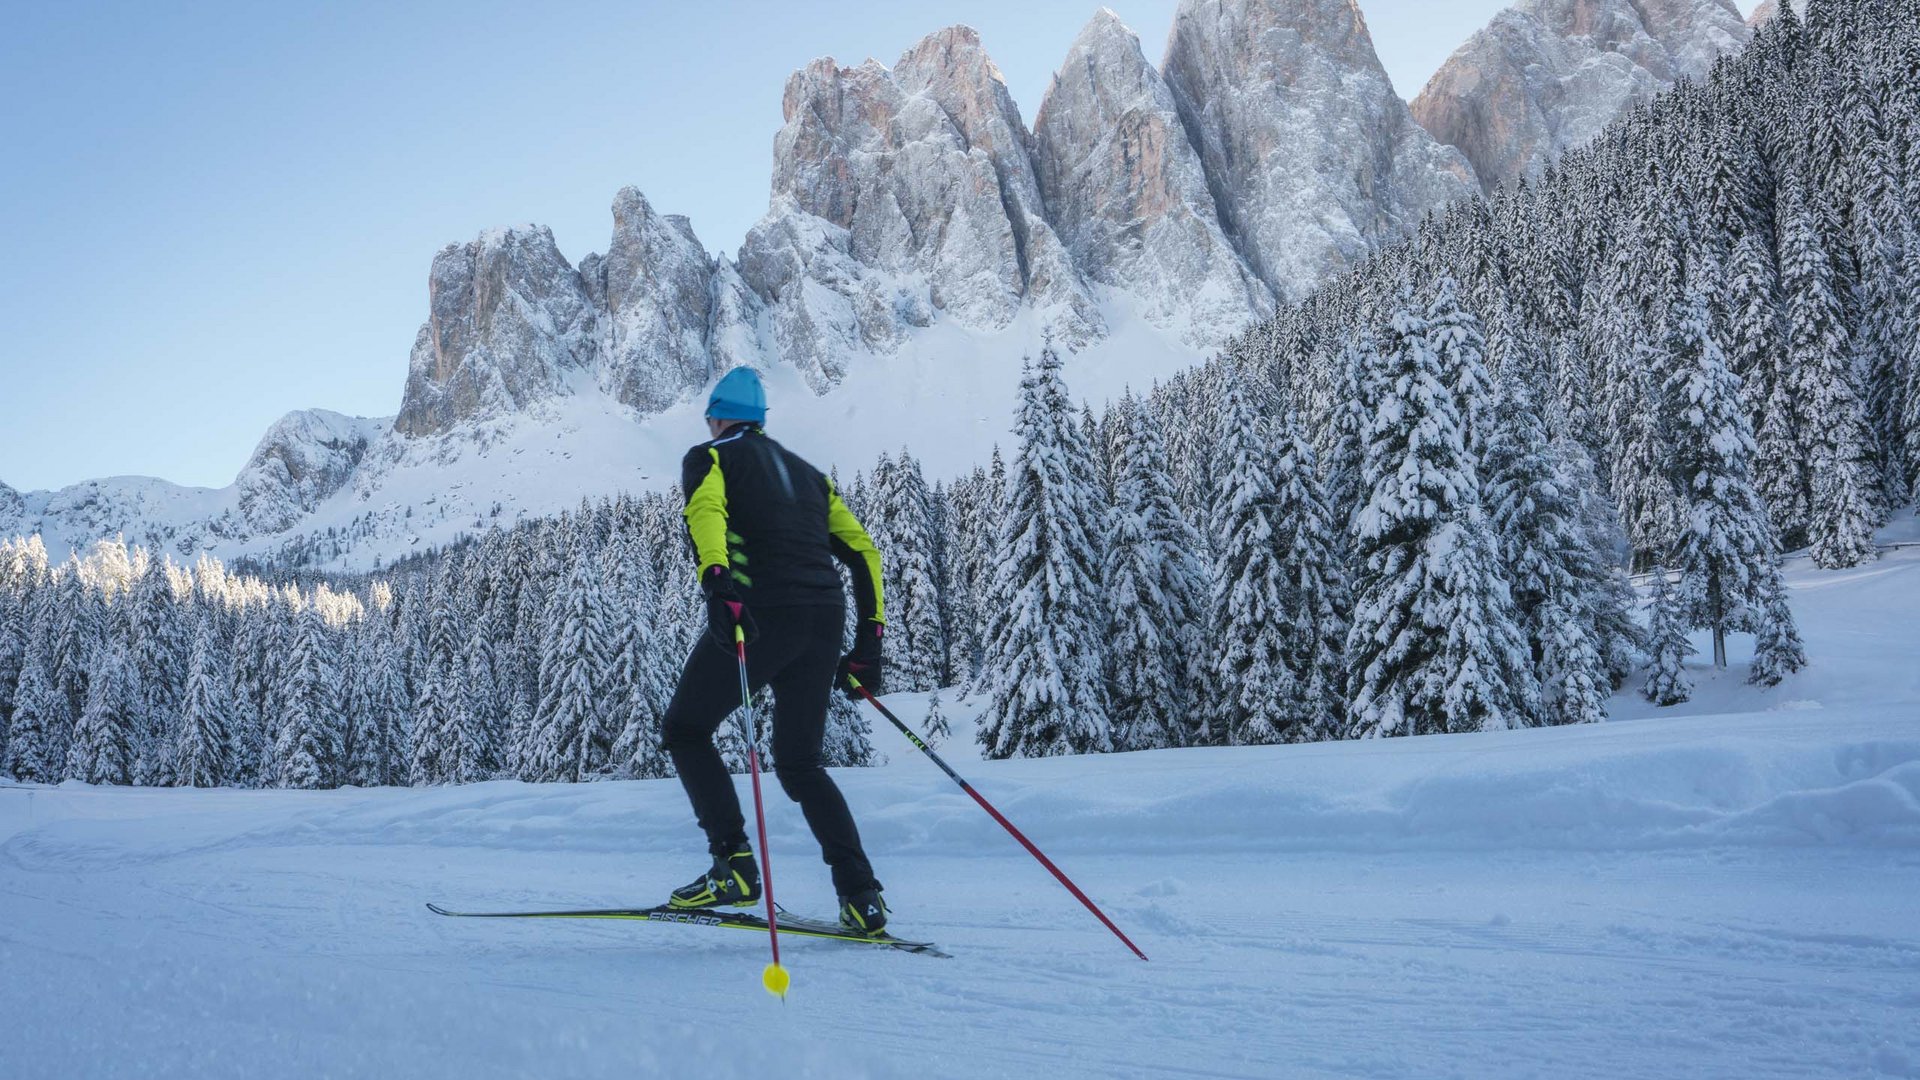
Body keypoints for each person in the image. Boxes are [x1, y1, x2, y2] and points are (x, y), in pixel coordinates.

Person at [659, 366, 891, 935]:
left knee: (685, 729)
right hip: (824, 619)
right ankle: (861, 896)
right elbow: (863, 553)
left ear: (718, 417)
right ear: (761, 419)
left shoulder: (710, 458)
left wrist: (719, 585)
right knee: (800, 762)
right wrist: (869, 643)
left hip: (762, 615)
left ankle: (733, 864)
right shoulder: (810, 475)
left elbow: (705, 513)